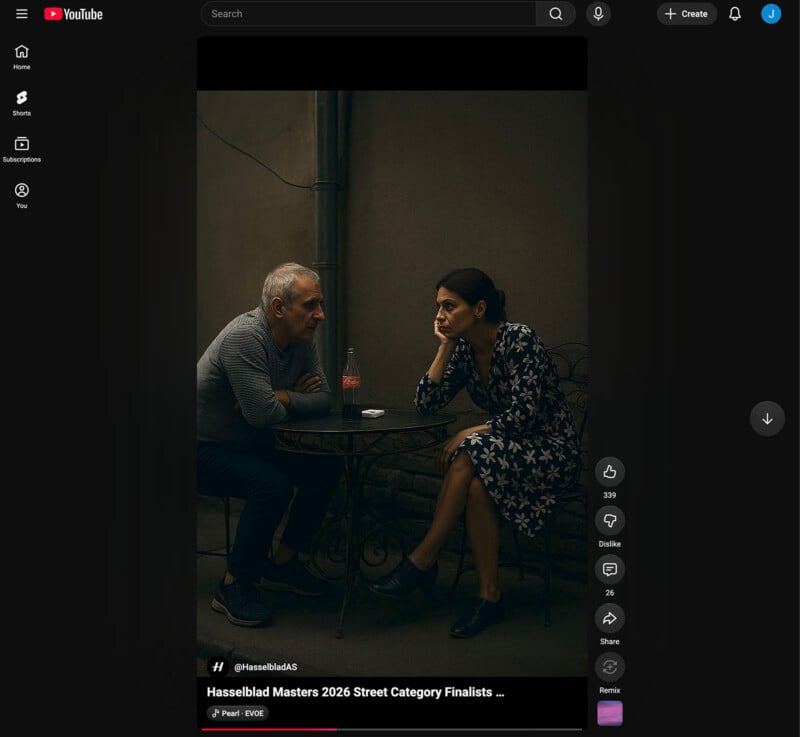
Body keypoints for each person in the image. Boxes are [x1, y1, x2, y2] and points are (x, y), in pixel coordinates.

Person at [368, 267, 580, 638]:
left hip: (550, 451)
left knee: (469, 449)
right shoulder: (465, 350)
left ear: (479, 309)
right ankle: (489, 597)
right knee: (478, 486)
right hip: (506, 450)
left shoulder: (519, 339)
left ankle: (422, 559)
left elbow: (525, 414)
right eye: (437, 307)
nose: (439, 315)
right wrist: (445, 346)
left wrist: (471, 431)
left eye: (449, 306)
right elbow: (426, 402)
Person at [197, 262, 342, 627]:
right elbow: (261, 414)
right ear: (279, 308)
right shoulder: (246, 337)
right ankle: (233, 586)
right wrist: (283, 399)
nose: (320, 315)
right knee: (270, 485)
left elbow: (325, 398)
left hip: (243, 441)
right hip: (201, 445)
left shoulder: (299, 341)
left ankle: (282, 564)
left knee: (326, 466)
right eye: (310, 305)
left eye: (319, 305)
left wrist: (284, 398)